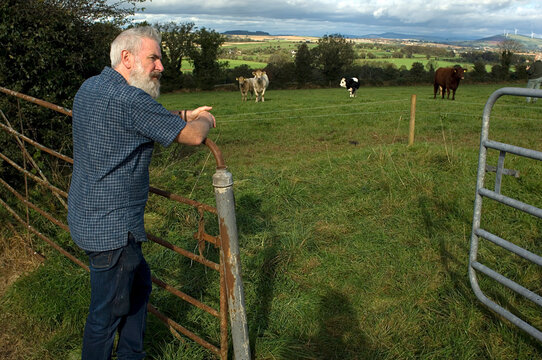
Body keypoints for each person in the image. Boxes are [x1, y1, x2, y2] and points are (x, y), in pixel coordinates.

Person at [67, 26, 216, 360]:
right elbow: (192, 136)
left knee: (140, 286)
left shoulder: (91, 87)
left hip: (87, 216)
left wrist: (182, 115)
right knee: (104, 319)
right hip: (113, 232)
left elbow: (139, 120)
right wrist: (203, 119)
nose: (160, 66)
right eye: (154, 58)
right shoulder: (130, 100)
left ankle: (132, 354)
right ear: (127, 58)